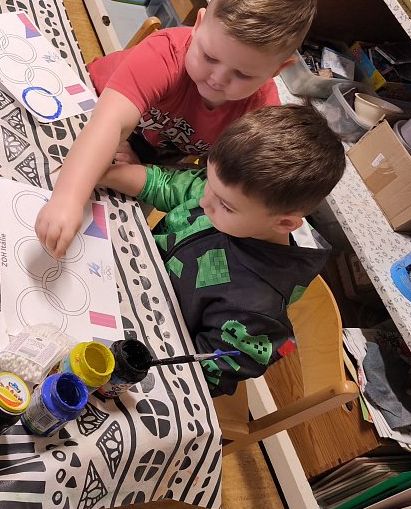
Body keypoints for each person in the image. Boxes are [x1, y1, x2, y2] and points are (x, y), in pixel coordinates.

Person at [35, 0, 317, 258]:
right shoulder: (165, 53)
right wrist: (68, 198)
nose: (217, 79)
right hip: (90, 104)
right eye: (209, 56)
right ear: (198, 25)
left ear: (278, 70)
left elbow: (208, 180)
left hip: (151, 153)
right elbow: (109, 122)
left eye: (243, 75)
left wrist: (148, 170)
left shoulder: (260, 117)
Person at [97, 104, 345, 396]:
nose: (204, 202)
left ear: (284, 223)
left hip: (144, 350)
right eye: (209, 183)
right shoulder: (226, 195)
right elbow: (164, 184)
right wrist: (98, 173)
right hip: (123, 286)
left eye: (225, 206)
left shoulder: (256, 309)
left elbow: (195, 378)